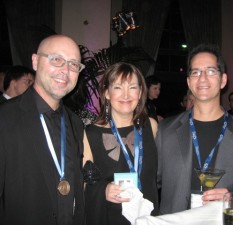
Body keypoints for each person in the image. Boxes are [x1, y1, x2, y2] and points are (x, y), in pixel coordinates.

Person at [0, 34, 85, 225]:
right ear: (35, 61)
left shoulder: (76, 124)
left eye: (73, 64)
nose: (65, 70)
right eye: (57, 60)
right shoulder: (4, 119)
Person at [156, 43, 233, 214]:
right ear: (189, 82)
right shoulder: (165, 131)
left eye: (211, 71)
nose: (202, 78)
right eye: (196, 72)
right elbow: (148, 182)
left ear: (223, 80)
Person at [83, 62, 159, 225]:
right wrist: (103, 189)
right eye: (118, 87)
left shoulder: (151, 126)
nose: (126, 95)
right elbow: (82, 184)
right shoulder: (90, 134)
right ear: (107, 93)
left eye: (132, 87)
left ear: (140, 93)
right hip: (109, 219)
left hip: (148, 218)